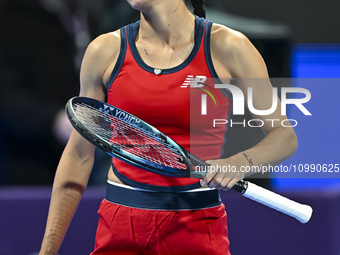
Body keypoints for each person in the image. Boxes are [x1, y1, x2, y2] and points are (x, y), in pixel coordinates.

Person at [39, 0, 298, 254]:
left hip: (198, 226)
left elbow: (284, 136)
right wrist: (47, 251)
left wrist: (241, 162)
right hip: (120, 227)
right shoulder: (103, 50)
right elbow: (79, 153)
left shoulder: (230, 47)